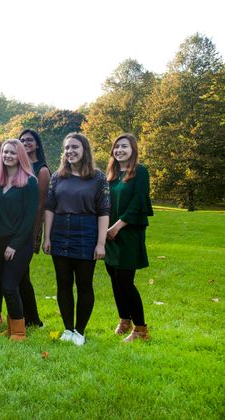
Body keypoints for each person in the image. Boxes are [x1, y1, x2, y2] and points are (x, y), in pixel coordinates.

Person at [43, 133, 110, 346]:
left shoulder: (98, 178)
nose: (70, 151)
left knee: (84, 284)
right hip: (60, 234)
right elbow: (49, 208)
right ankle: (68, 328)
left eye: (75, 147)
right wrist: (47, 237)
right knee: (63, 283)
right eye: (67, 148)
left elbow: (104, 211)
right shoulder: (57, 177)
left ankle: (80, 331)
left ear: (84, 150)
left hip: (86, 233)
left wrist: (101, 243)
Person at [105, 133, 153, 342]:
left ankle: (141, 330)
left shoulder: (140, 172)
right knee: (114, 280)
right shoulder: (112, 175)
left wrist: (118, 226)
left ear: (133, 149)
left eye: (124, 146)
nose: (119, 150)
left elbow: (138, 202)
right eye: (116, 147)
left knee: (125, 282)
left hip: (128, 234)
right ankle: (124, 320)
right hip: (109, 235)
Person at [0, 140, 38, 341]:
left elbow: (30, 218)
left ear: (20, 155)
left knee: (10, 286)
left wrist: (14, 244)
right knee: (5, 286)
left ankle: (20, 333)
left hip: (19, 243)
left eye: (12, 152)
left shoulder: (29, 182)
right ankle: (12, 327)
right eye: (5, 152)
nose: (8, 155)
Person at [18, 129, 49, 327]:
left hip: (29, 229)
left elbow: (41, 205)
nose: (25, 142)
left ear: (37, 144)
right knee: (19, 275)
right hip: (15, 227)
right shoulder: (19, 165)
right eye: (22, 140)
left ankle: (33, 319)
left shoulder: (42, 170)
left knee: (22, 275)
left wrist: (35, 234)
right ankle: (24, 317)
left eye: (29, 140)